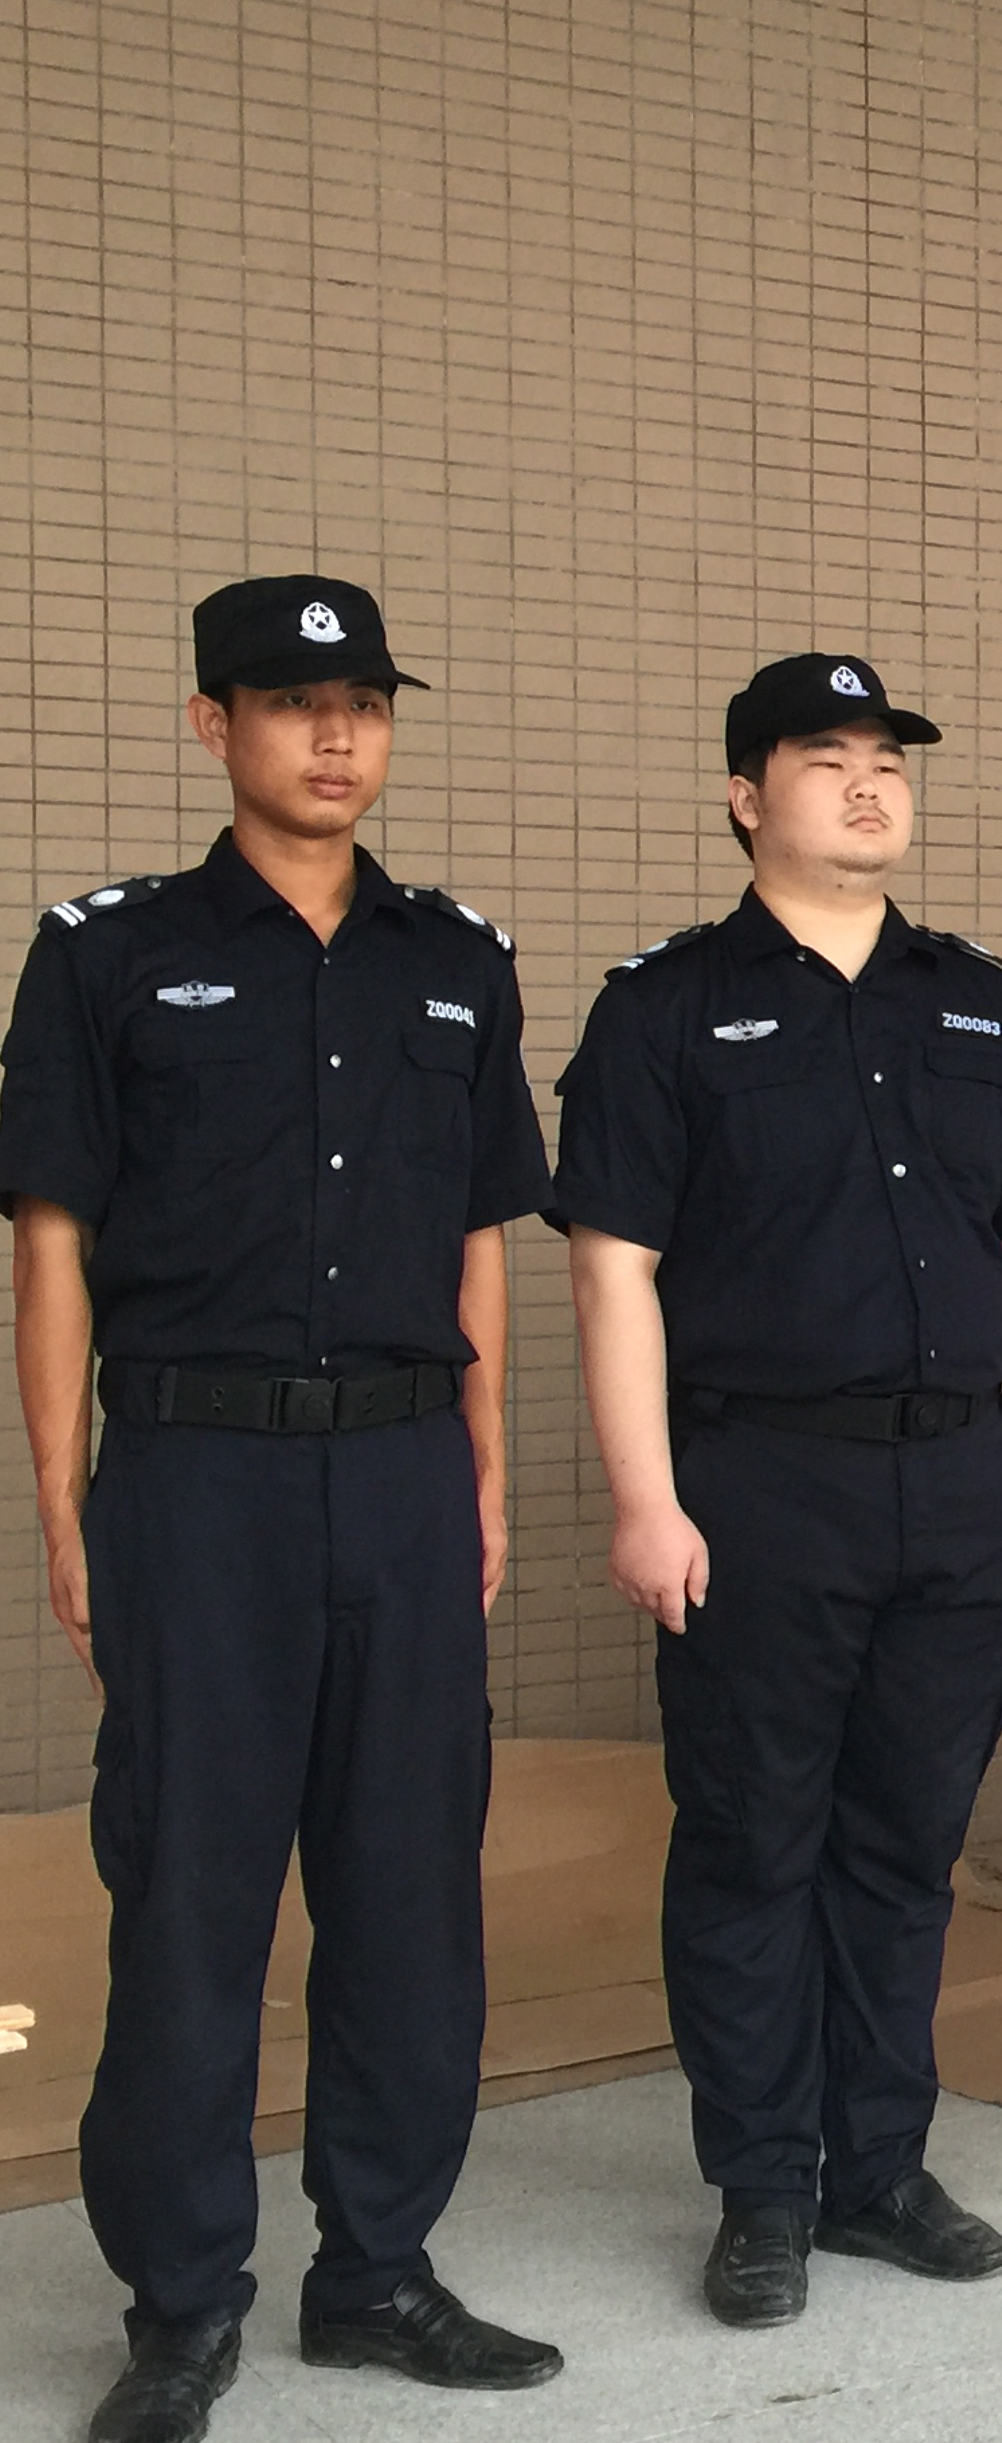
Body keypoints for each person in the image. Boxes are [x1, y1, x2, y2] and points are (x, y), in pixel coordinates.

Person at [0, 576, 563, 2443]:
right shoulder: (106, 954)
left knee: (408, 1893)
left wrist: (481, 1464)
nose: (336, 735)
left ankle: (377, 2271)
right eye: (292, 701)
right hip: (198, 1479)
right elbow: (54, 1244)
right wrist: (67, 1503)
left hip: (402, 1472)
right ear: (211, 723)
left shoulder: (453, 957)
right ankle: (181, 2306)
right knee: (191, 1898)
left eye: (365, 704)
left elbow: (480, 1234)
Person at [557, 652, 1002, 2325]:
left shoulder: (977, 1001)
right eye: (824, 757)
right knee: (750, 1845)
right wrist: (645, 1498)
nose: (868, 784)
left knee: (905, 1846)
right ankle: (760, 2190)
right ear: (746, 794)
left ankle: (877, 2171)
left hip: (957, 1478)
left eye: (888, 759)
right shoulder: (665, 1007)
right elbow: (613, 1267)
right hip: (760, 1488)